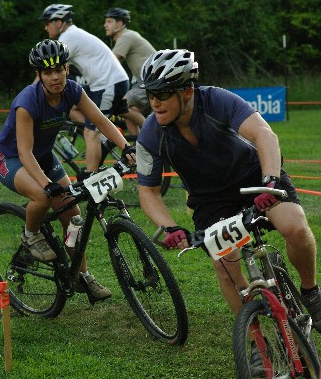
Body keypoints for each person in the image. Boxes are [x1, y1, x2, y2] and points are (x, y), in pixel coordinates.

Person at [135, 49, 321, 330]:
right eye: (150, 95)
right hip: (210, 199)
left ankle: (311, 292)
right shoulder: (150, 133)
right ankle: (255, 340)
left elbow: (264, 134)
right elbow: (148, 192)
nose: (155, 103)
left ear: (186, 91)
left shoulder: (215, 100)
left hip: (254, 177)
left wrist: (270, 180)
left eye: (162, 94)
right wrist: (170, 227)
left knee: (294, 226)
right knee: (225, 267)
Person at [0, 39, 135, 301]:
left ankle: (82, 276)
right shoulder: (27, 102)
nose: (55, 77)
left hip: (43, 155)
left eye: (58, 69)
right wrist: (46, 183)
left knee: (73, 213)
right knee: (42, 194)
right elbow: (24, 152)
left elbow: (100, 121)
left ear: (67, 69)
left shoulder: (73, 90)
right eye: (47, 72)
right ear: (39, 75)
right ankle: (31, 234)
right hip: (12, 157)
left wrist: (126, 146)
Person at [39, 4, 142, 171]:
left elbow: (45, 72)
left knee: (90, 133)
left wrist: (31, 93)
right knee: (71, 106)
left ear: (58, 22)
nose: (45, 27)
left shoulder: (68, 38)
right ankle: (154, 132)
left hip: (107, 84)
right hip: (108, 83)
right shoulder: (73, 35)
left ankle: (91, 181)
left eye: (47, 23)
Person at [104, 7, 155, 132]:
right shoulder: (128, 36)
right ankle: (136, 146)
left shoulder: (126, 37)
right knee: (128, 112)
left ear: (120, 24)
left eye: (109, 21)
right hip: (150, 78)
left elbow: (111, 62)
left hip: (151, 77)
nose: (105, 25)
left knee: (122, 106)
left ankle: (154, 133)